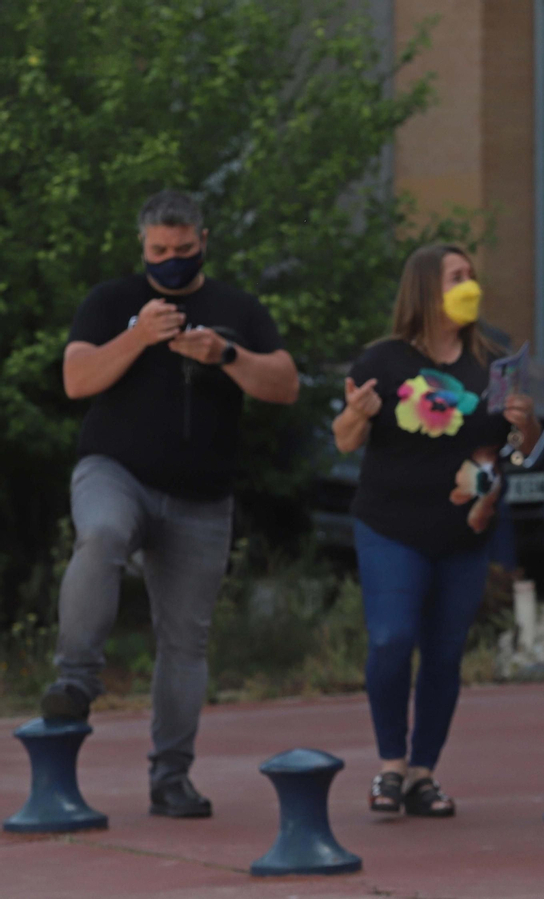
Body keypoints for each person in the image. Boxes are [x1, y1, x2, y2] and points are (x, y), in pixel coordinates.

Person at [44, 189, 300, 818]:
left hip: (202, 496)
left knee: (185, 641)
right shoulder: (111, 301)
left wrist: (226, 354)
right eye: (159, 250)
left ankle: (171, 777)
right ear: (142, 245)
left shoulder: (236, 308)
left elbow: (285, 384)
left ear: (203, 241)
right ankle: (75, 679)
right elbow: (76, 379)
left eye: (183, 249)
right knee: (102, 535)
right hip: (116, 471)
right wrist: (138, 336)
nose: (171, 260)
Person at [334, 244, 537, 818]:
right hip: (391, 525)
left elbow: (522, 453)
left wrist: (526, 426)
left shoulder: (494, 362)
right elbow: (345, 440)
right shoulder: (383, 360)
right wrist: (357, 413)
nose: (467, 284)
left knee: (444, 655)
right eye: (455, 277)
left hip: (465, 532)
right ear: (425, 288)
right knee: (391, 639)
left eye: (470, 275)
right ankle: (391, 764)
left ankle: (423, 773)